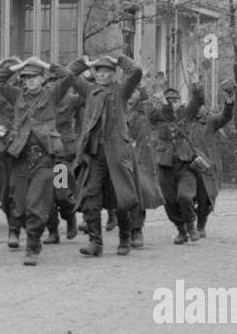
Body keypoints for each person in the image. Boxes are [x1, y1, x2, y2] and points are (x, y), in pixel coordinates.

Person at [0, 56, 90, 266]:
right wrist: (8, 67)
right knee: (20, 203)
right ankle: (51, 231)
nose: (30, 81)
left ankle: (62, 222)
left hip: (54, 158)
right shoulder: (18, 97)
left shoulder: (57, 96)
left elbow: (70, 76)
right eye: (26, 77)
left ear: (44, 79)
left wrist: (45, 64)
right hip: (22, 157)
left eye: (34, 77)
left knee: (59, 194)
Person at [71, 53, 144, 256]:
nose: (103, 75)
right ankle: (95, 242)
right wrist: (85, 63)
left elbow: (136, 71)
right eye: (99, 72)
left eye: (107, 72)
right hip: (93, 153)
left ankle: (125, 237)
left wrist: (119, 59)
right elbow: (68, 75)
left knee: (123, 200)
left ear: (114, 74)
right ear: (94, 74)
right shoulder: (89, 91)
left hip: (117, 154)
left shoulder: (121, 91)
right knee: (89, 197)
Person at [151, 84, 205, 243]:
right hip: (165, 165)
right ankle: (181, 230)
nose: (172, 103)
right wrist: (161, 103)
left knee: (185, 197)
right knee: (169, 200)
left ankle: (191, 226)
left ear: (180, 101)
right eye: (169, 100)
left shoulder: (186, 115)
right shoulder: (158, 116)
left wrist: (195, 81)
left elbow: (198, 100)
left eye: (175, 100)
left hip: (185, 163)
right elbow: (155, 114)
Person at [188, 78, 236, 238]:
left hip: (205, 168)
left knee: (204, 198)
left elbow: (225, 116)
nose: (198, 109)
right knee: (183, 195)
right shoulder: (186, 122)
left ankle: (201, 224)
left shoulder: (210, 121)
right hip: (187, 166)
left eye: (201, 106)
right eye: (196, 106)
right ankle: (188, 224)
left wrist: (229, 99)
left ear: (205, 108)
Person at [45, 76, 85, 243]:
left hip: (61, 154)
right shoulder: (39, 103)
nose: (51, 88)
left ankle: (70, 218)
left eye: (55, 85)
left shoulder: (69, 101)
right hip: (43, 154)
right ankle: (53, 231)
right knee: (46, 197)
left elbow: (86, 95)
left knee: (62, 194)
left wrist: (83, 76)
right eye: (48, 85)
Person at [126, 86, 163, 247]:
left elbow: (164, 116)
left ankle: (136, 229)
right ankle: (59, 224)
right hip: (58, 160)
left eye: (134, 91)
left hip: (140, 158)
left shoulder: (145, 110)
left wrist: (162, 99)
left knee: (139, 192)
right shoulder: (115, 107)